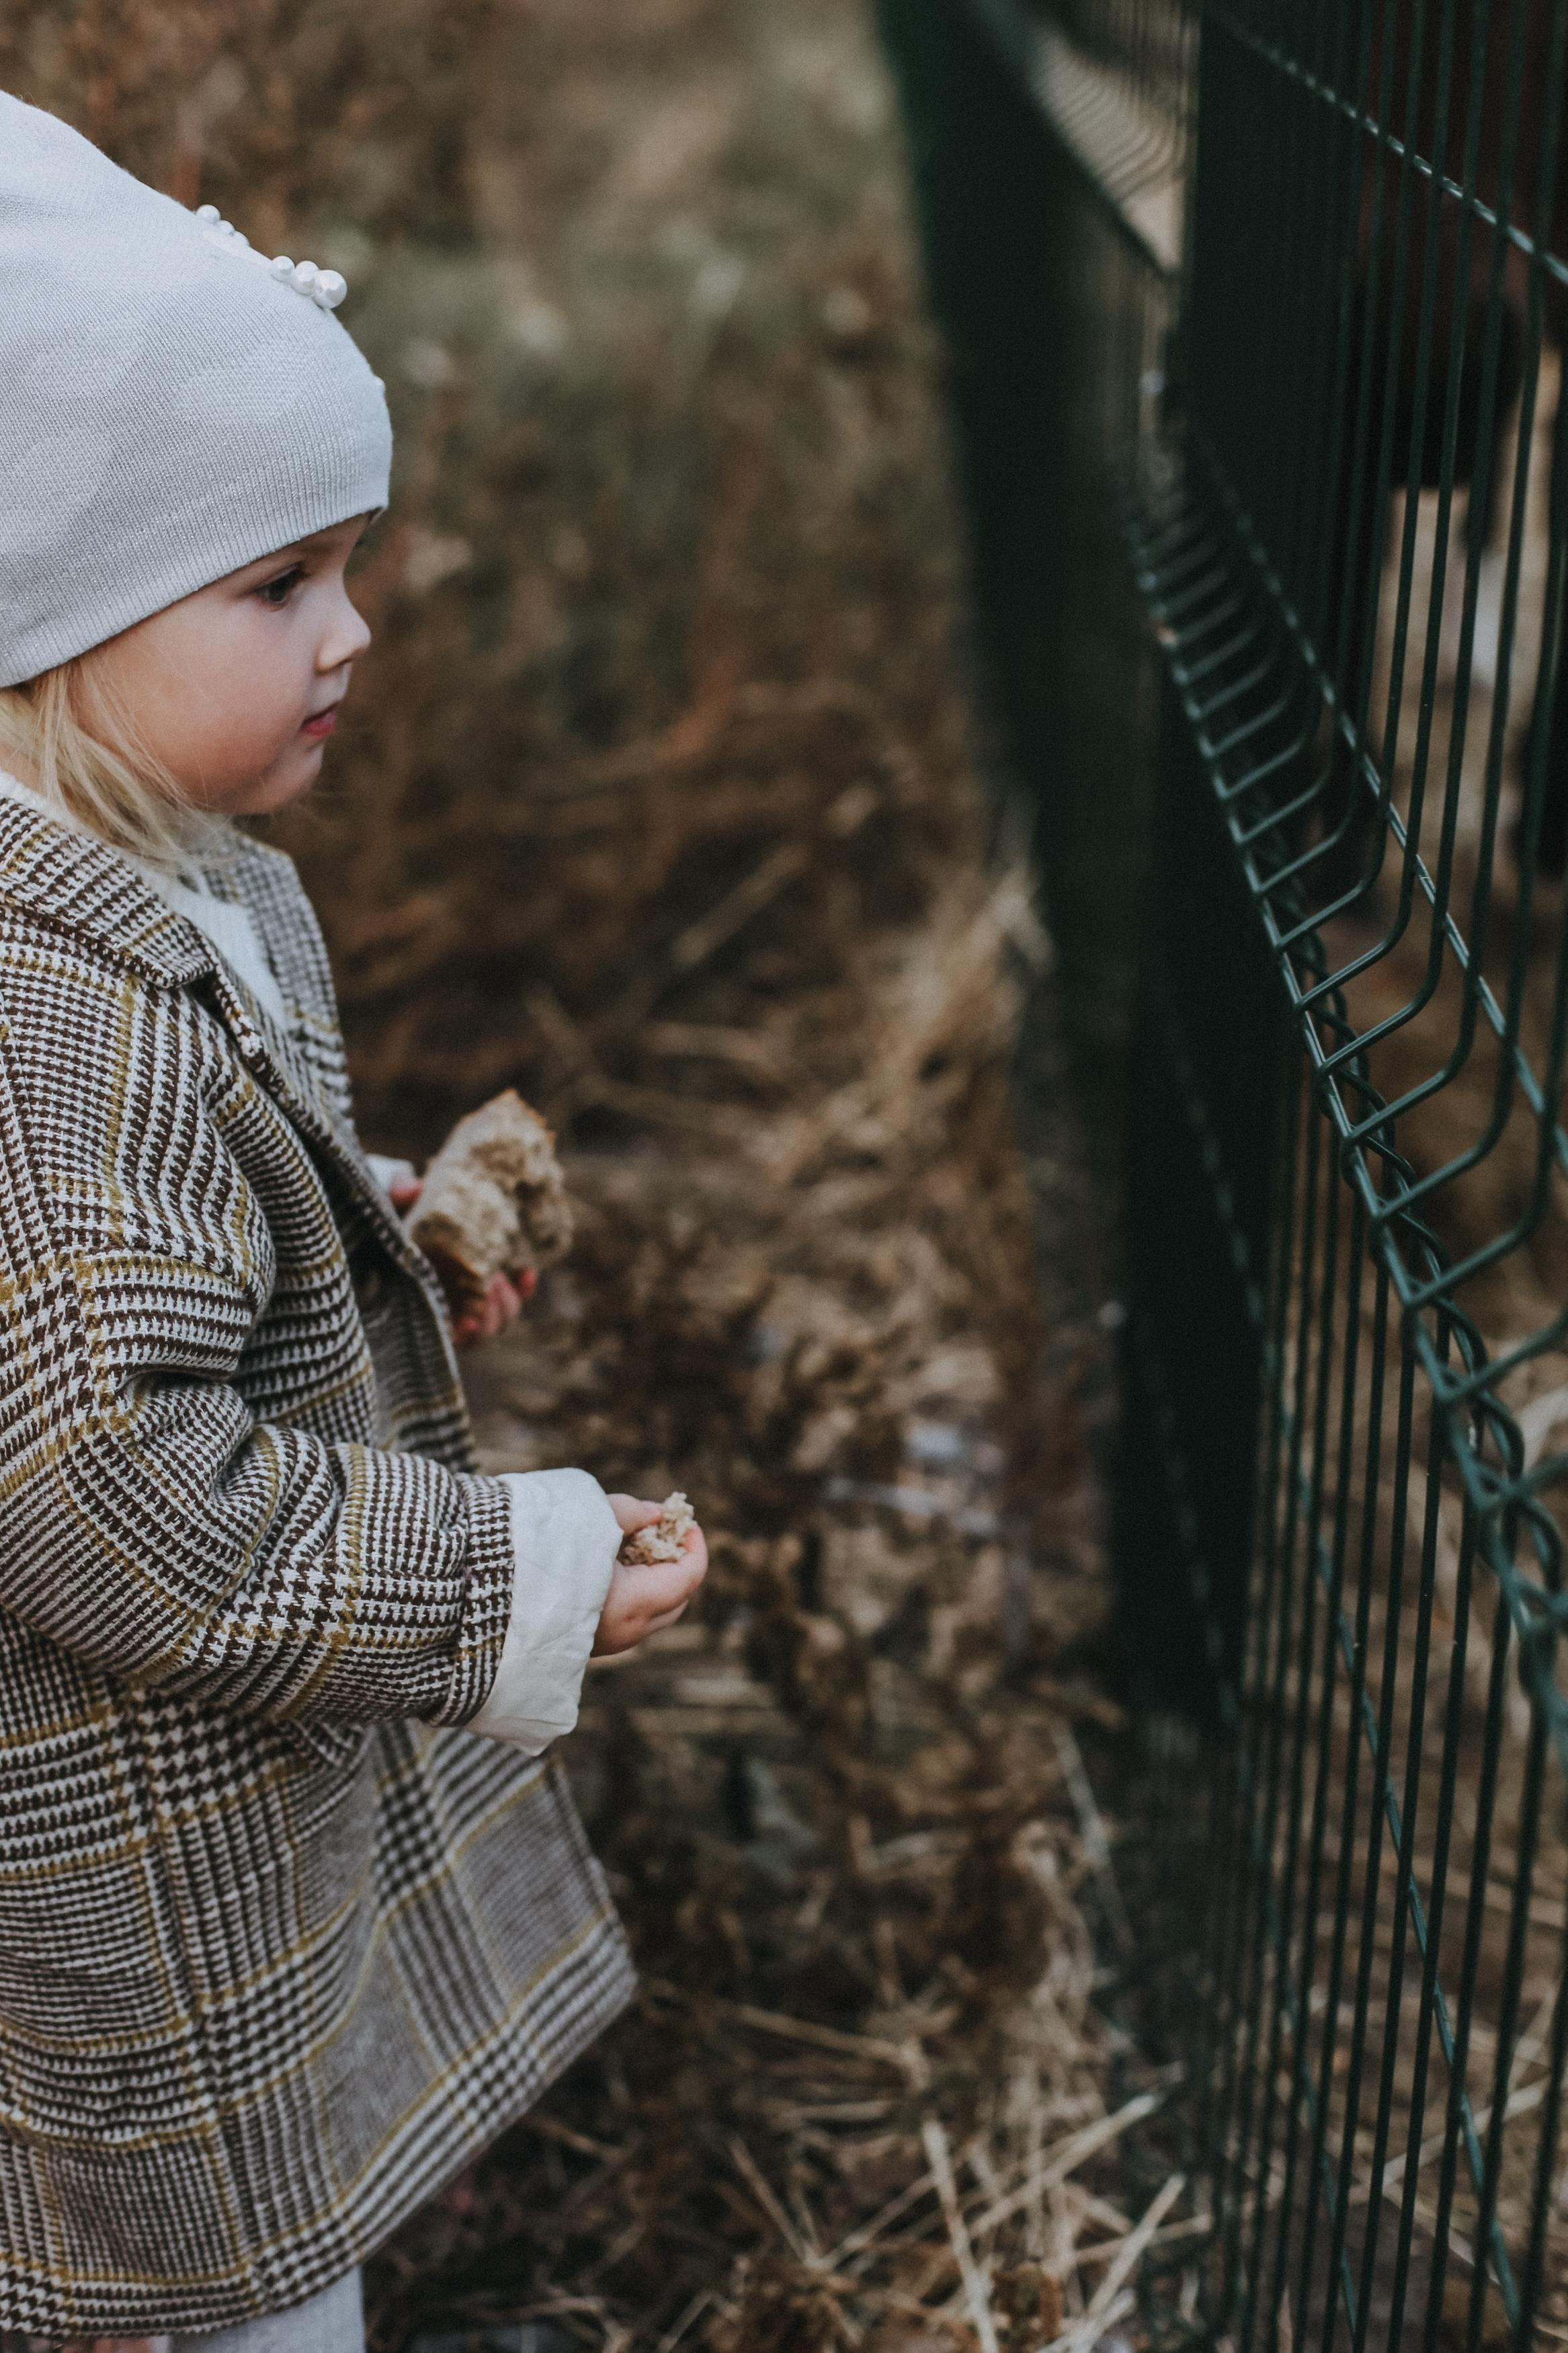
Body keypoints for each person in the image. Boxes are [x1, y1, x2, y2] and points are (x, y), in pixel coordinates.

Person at [0, 92, 708, 2353]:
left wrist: (370, 1217)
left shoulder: (175, 890)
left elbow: (164, 1244)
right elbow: (110, 1492)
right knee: (206, 2300)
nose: (358, 630)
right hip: (110, 1868)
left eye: (350, 565)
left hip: (190, 1823)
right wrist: (522, 1570)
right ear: (63, 627)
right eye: (278, 582)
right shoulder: (48, 1014)